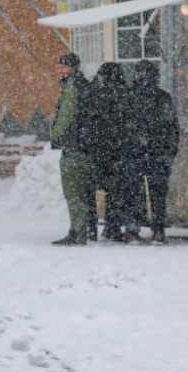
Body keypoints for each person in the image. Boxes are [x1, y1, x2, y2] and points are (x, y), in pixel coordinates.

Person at [83, 62, 133, 242]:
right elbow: (128, 121)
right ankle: (112, 227)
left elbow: (85, 119)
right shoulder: (124, 93)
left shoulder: (92, 93)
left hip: (95, 149)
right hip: (116, 150)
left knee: (90, 190)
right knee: (115, 191)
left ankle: (91, 227)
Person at [132, 59, 180, 244]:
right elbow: (172, 127)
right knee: (158, 195)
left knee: (137, 194)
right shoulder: (163, 97)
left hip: (139, 154)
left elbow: (124, 125)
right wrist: (169, 152)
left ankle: (135, 230)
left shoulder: (132, 97)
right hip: (157, 154)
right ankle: (158, 231)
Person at [50, 53, 92, 246]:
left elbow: (65, 116)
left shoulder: (71, 87)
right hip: (84, 146)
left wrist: (54, 134)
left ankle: (78, 232)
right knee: (81, 192)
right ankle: (81, 230)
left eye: (63, 67)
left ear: (72, 69)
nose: (59, 70)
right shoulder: (84, 85)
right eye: (58, 67)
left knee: (73, 192)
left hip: (74, 146)